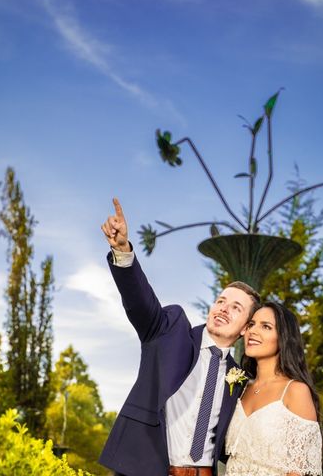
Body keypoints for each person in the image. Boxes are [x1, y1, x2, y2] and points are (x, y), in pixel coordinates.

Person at [99, 198, 261, 476]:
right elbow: (140, 302)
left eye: (236, 308)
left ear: (246, 327)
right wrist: (123, 250)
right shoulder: (170, 329)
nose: (224, 309)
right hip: (144, 469)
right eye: (221, 301)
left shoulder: (241, 381)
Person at [224, 302, 323, 476]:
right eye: (251, 324)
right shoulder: (241, 388)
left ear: (284, 337)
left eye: (266, 326)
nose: (253, 331)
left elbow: (297, 472)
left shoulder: (296, 391)